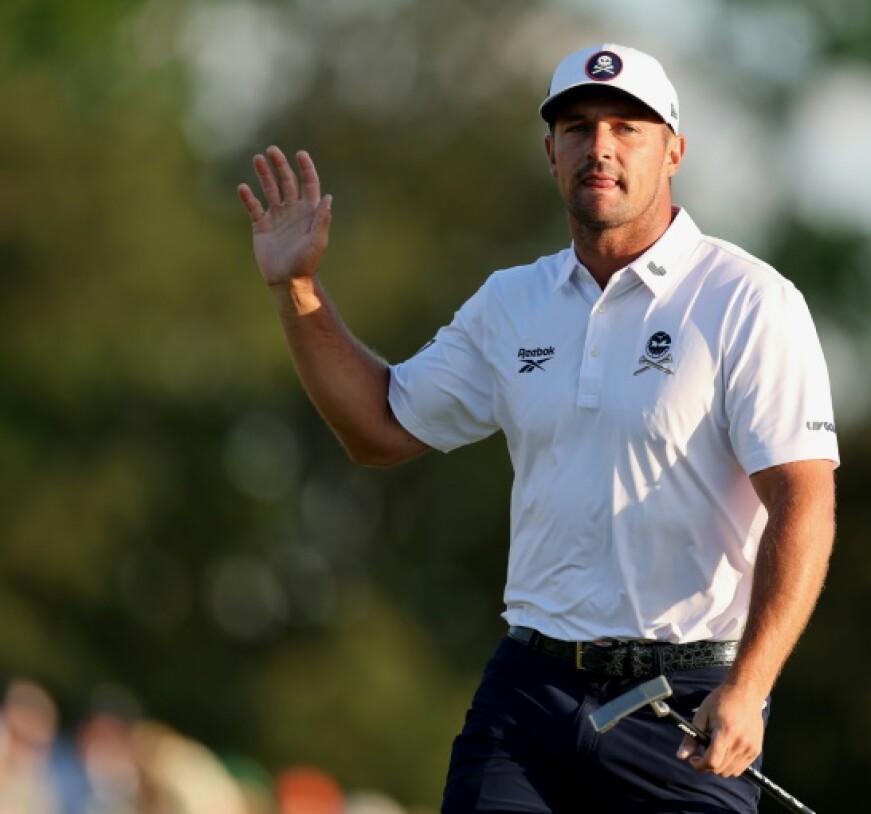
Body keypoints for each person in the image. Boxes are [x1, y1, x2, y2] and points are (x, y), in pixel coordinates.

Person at [238, 43, 839, 814]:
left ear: (674, 151)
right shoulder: (511, 302)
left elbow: (804, 502)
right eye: (579, 128)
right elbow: (379, 428)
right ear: (551, 152)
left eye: (628, 128)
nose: (602, 148)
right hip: (531, 692)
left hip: (685, 700)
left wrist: (749, 685)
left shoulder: (748, 300)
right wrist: (297, 288)